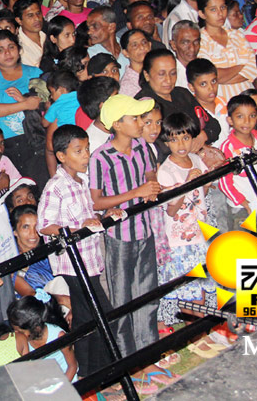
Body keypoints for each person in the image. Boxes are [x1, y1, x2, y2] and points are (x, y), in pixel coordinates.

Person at [36, 124, 117, 378]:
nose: (86, 155)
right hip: (73, 264)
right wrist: (76, 228)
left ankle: (88, 372)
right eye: (78, 151)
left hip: (90, 259)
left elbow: (88, 215)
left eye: (87, 149)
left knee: (87, 317)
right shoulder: (56, 186)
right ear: (61, 156)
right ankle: (100, 371)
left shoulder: (82, 182)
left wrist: (103, 216)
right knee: (102, 313)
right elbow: (44, 225)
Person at [89, 96, 162, 357]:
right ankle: (128, 359)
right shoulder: (100, 157)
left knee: (148, 294)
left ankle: (149, 353)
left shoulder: (141, 145)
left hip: (145, 228)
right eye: (136, 118)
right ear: (117, 124)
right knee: (122, 299)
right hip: (120, 236)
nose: (142, 123)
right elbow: (96, 201)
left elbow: (150, 171)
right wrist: (136, 192)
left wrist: (151, 184)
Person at [155, 113, 215, 331]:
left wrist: (205, 181)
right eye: (174, 140)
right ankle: (195, 334)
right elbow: (171, 210)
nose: (181, 145)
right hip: (180, 242)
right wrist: (187, 183)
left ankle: (202, 334)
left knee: (202, 292)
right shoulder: (166, 171)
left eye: (186, 138)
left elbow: (203, 193)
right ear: (167, 142)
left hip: (200, 234)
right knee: (189, 294)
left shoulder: (196, 160)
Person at [0, 30, 45, 181]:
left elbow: (48, 103)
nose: (7, 53)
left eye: (11, 47)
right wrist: (24, 104)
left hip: (36, 139)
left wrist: (25, 100)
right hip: (6, 144)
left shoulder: (34, 72)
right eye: (0, 50)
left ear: (19, 50)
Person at [196, 0, 257, 103]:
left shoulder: (237, 34)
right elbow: (211, 76)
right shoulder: (200, 41)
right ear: (202, 14)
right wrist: (241, 66)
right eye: (213, 9)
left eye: (223, 7)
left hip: (248, 97)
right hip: (221, 101)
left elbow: (254, 67)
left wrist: (223, 76)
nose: (220, 13)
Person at [7, 296, 77, 382]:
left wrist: (62, 386)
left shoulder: (58, 336)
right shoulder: (22, 340)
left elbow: (72, 366)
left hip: (67, 378)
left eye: (20, 331)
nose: (16, 333)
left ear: (36, 328)